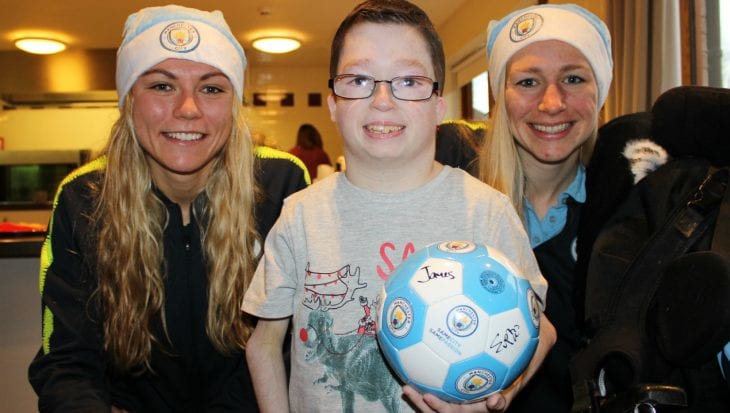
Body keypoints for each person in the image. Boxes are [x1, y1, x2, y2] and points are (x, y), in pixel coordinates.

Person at [243, 1, 556, 412]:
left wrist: (502, 396)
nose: (383, 100)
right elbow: (263, 344)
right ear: (334, 103)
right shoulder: (301, 216)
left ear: (439, 104)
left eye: (408, 81)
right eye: (358, 79)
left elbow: (542, 329)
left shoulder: (486, 211)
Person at [27, 5, 306, 411]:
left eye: (211, 88)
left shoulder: (282, 185)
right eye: (162, 86)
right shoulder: (84, 197)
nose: (188, 108)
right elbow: (67, 363)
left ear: (234, 104)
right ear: (128, 100)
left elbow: (295, 341)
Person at [477, 4, 613, 412]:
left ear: (599, 91)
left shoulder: (627, 217)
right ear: (501, 95)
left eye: (573, 78)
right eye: (529, 81)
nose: (552, 103)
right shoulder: (462, 207)